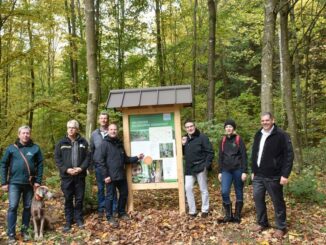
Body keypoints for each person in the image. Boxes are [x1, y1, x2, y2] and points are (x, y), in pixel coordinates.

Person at [251, 112, 294, 239]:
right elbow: (255, 153)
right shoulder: (258, 134)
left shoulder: (281, 135)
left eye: (267, 120)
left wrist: (285, 174)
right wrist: (253, 170)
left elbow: (289, 156)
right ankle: (262, 223)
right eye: (263, 120)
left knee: (277, 201)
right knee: (258, 199)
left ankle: (281, 227)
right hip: (258, 174)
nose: (265, 122)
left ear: (273, 120)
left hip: (274, 175)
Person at [1, 125, 43, 243]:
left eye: (27, 133)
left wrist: (38, 181)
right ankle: (11, 234)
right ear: (19, 134)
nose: (25, 135)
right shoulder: (11, 148)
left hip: (29, 184)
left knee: (27, 207)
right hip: (14, 183)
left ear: (30, 134)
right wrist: (4, 182)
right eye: (23, 133)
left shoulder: (35, 148)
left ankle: (24, 232)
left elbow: (40, 165)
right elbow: (3, 164)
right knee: (13, 206)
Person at [99, 123, 144, 228]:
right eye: (111, 129)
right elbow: (100, 161)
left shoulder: (119, 143)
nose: (113, 131)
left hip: (120, 174)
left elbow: (125, 159)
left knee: (124, 193)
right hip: (110, 176)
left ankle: (121, 212)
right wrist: (106, 175)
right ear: (108, 131)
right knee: (110, 196)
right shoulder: (104, 144)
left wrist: (137, 157)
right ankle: (109, 216)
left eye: (115, 129)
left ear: (117, 130)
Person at [54, 120, 90, 232]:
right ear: (67, 128)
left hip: (80, 176)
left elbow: (88, 157)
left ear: (77, 129)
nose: (71, 129)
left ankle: (79, 219)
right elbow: (57, 159)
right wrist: (66, 169)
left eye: (73, 127)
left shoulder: (84, 142)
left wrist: (81, 168)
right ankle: (68, 221)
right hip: (67, 177)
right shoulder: (61, 143)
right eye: (69, 127)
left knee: (79, 199)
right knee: (68, 199)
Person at [182, 119, 214, 218]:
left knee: (203, 189)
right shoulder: (184, 139)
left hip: (201, 166)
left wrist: (206, 166)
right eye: (187, 127)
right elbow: (182, 153)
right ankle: (192, 211)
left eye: (191, 126)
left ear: (194, 126)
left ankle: (205, 210)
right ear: (185, 128)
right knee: (188, 188)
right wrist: (182, 145)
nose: (189, 128)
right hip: (189, 168)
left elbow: (210, 152)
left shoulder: (202, 137)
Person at [218, 119, 247, 223]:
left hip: (238, 169)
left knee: (238, 191)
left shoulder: (239, 139)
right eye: (226, 127)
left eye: (230, 127)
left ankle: (237, 215)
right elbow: (220, 156)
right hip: (226, 170)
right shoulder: (223, 140)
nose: (228, 128)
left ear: (233, 128)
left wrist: (244, 171)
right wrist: (220, 171)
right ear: (225, 129)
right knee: (224, 191)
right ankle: (228, 215)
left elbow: (244, 156)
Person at [90, 111, 117, 220]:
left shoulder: (112, 132)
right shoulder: (94, 134)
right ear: (98, 120)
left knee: (112, 189)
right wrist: (91, 165)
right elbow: (91, 150)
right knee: (101, 188)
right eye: (101, 118)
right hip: (99, 166)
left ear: (108, 120)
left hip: (111, 166)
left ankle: (113, 209)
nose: (103, 120)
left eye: (105, 118)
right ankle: (101, 209)